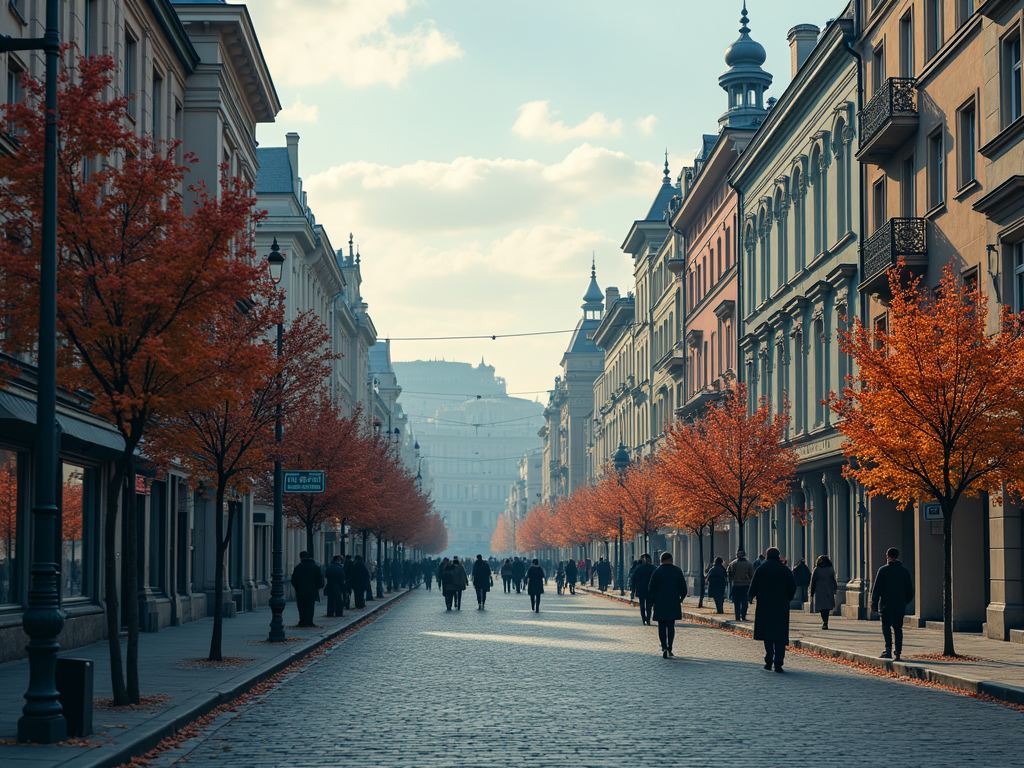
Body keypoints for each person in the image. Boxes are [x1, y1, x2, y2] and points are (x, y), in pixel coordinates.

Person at [747, 547, 797, 673]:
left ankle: (769, 660)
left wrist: (751, 597)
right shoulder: (785, 570)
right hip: (781, 605)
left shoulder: (762, 569)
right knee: (779, 635)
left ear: (767, 555)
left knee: (767, 634)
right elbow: (792, 586)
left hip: (765, 604)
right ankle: (779, 662)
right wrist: (788, 598)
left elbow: (754, 585)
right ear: (778, 556)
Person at [871, 547, 914, 660]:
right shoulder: (905, 571)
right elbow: (910, 590)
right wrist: (905, 601)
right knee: (898, 628)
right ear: (898, 556)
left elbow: (876, 589)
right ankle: (898, 651)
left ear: (888, 557)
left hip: (886, 604)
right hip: (900, 604)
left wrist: (874, 603)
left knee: (886, 626)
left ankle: (888, 649)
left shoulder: (883, 570)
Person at [647, 552, 687, 658]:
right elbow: (683, 588)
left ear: (661, 560)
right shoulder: (677, 571)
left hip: (660, 602)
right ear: (671, 559)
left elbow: (651, 588)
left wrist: (653, 600)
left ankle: (664, 646)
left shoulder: (657, 571)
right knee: (670, 625)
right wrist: (681, 598)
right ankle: (670, 646)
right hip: (673, 602)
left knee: (661, 625)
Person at [290, 551, 324, 627]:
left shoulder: (298, 567)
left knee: (302, 607)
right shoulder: (315, 567)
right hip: (312, 590)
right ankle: (309, 620)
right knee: (311, 606)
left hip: (300, 591)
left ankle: (303, 621)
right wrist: (318, 587)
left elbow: (293, 580)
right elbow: (319, 579)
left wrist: (297, 587)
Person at [810, 554, 838, 629]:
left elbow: (813, 581)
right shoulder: (830, 569)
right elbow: (833, 580)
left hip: (820, 591)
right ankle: (826, 621)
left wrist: (811, 592)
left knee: (822, 608)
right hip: (828, 590)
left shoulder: (817, 569)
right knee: (827, 608)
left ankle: (824, 622)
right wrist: (835, 588)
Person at [727, 549, 754, 621]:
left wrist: (731, 582)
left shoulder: (732, 564)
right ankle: (744, 616)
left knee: (737, 602)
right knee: (744, 601)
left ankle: (737, 617)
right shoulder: (748, 564)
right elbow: (751, 575)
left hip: (735, 585)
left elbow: (729, 574)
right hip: (745, 585)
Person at [631, 553, 656, 625]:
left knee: (642, 605)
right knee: (649, 605)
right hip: (650, 589)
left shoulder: (638, 568)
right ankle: (648, 619)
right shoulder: (653, 568)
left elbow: (633, 580)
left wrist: (633, 591)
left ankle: (643, 618)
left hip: (640, 589)